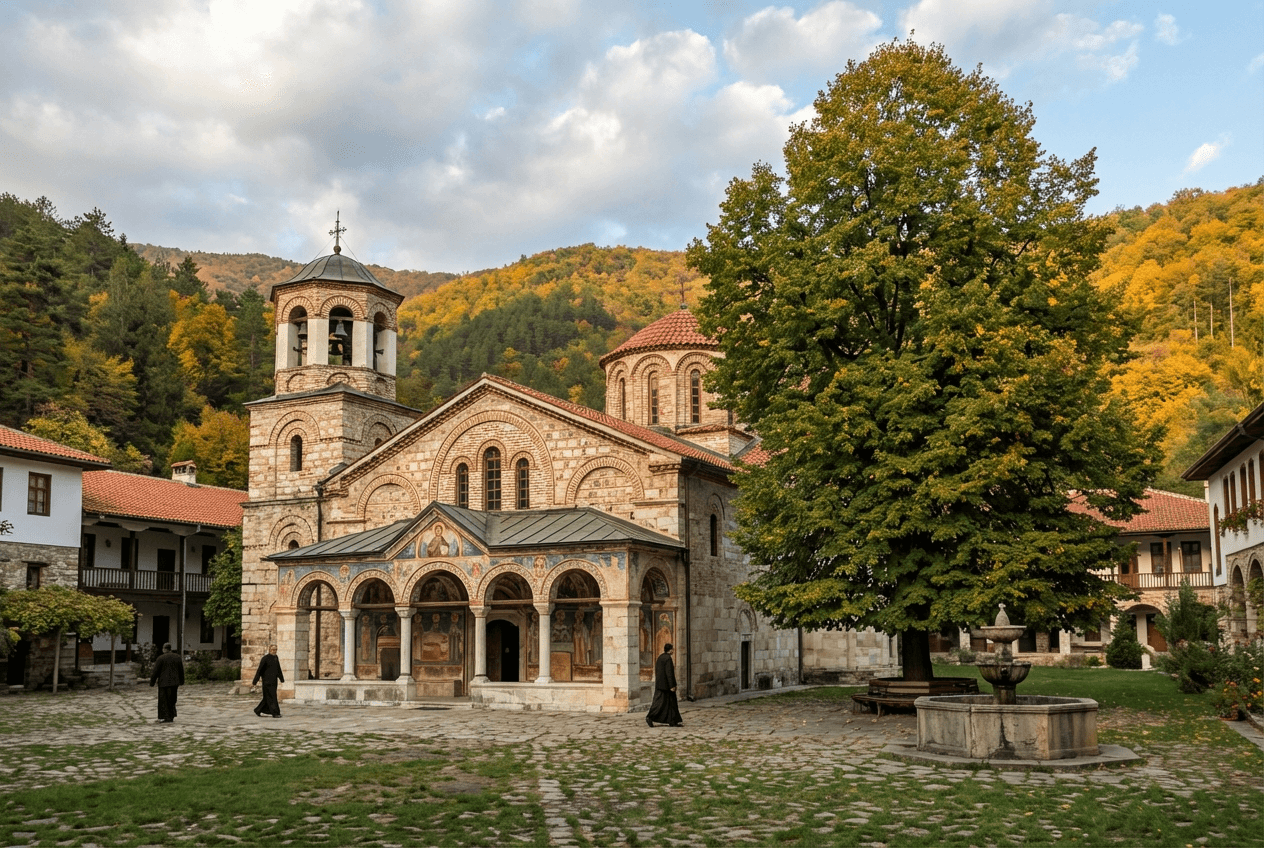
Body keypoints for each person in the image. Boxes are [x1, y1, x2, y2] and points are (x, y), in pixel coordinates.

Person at [645, 643, 683, 727]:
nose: (673, 651)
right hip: (666, 686)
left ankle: (672, 721)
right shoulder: (668, 659)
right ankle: (650, 717)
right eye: (673, 649)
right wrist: (672, 685)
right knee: (661, 703)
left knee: (669, 703)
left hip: (660, 684)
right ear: (670, 650)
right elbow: (669, 673)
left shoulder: (660, 657)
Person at [149, 643, 184, 724]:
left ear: (164, 649)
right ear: (170, 648)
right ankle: (171, 716)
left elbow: (155, 671)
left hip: (163, 683)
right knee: (172, 700)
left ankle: (164, 717)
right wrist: (181, 681)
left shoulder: (161, 658)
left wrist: (152, 682)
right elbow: (181, 670)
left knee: (163, 700)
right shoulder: (177, 657)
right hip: (175, 682)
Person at [252, 644, 285, 718]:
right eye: (273, 649)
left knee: (267, 698)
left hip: (274, 681)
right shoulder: (265, 658)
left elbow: (278, 669)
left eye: (275, 649)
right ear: (269, 650)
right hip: (266, 682)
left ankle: (258, 710)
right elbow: (259, 670)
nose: (274, 651)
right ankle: (275, 713)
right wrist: (255, 681)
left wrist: (281, 678)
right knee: (272, 697)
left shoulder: (276, 657)